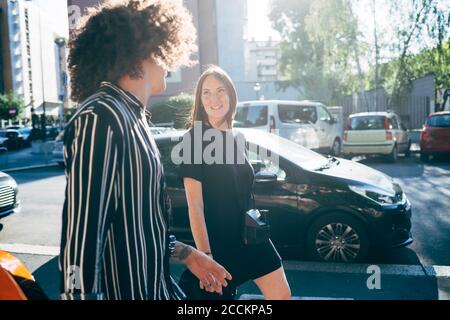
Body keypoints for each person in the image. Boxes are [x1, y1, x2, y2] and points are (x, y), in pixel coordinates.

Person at [59, 0, 231, 300]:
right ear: (145, 50)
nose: (170, 60)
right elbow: (80, 241)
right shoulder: (101, 117)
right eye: (163, 49)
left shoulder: (134, 117)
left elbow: (135, 229)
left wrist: (188, 254)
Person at [179, 66, 291, 300]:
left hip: (250, 237)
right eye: (206, 93)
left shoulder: (236, 138)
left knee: (281, 296)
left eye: (221, 91)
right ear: (200, 100)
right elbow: (195, 206)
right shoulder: (194, 139)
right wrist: (205, 256)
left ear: (231, 95)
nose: (214, 99)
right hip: (218, 245)